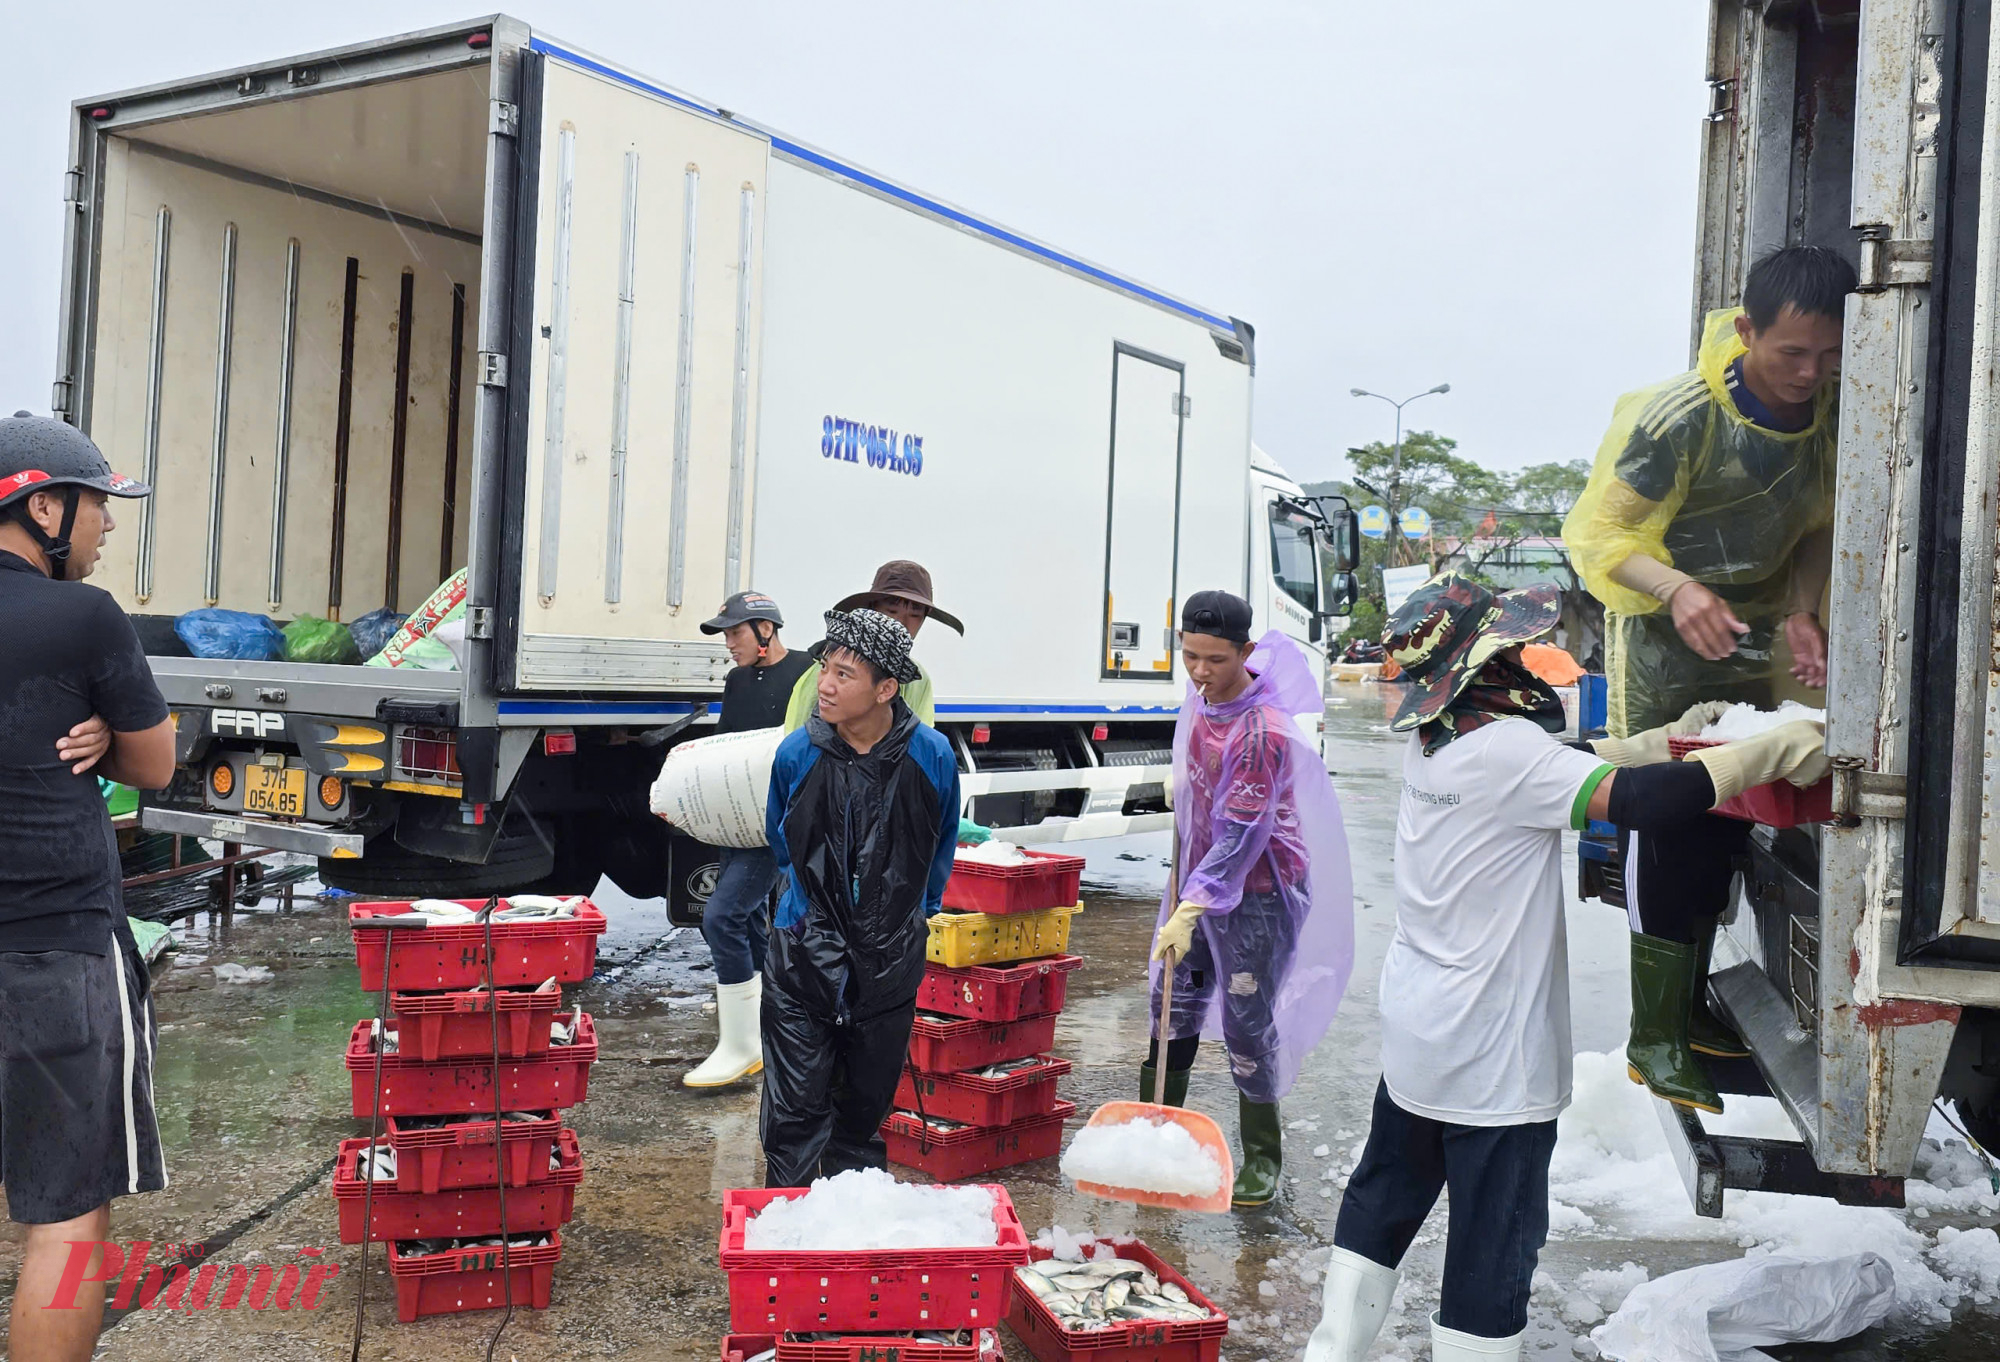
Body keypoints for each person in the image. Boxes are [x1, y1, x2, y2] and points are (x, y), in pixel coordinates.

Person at [1304, 573, 1826, 1362]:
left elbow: (1562, 768)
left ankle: (1331, 1349)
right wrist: (1768, 751)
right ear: (1484, 664)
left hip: (1420, 1034)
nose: (1529, 655)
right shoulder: (1507, 751)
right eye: (1511, 646)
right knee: (1493, 1245)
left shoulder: (1439, 741)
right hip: (1494, 1056)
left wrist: (1666, 739)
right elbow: (1642, 803)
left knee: (1384, 1197)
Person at [1562, 245, 1854, 1110]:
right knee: (1674, 816)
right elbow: (1600, 538)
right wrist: (1680, 588)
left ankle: (1687, 1010)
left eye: (1828, 355)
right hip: (1664, 638)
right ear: (1746, 330)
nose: (1809, 373)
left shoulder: (1839, 406)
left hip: (1759, 637)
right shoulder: (1681, 416)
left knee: (1739, 818)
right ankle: (1654, 1035)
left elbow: (1817, 522)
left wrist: (1803, 610)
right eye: (1791, 353)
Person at [0, 412, 176, 1362]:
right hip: (54, 952)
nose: (108, 527)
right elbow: (156, 766)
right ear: (43, 505)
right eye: (100, 506)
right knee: (64, 1222)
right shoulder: (81, 618)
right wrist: (107, 725)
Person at [1146, 590, 1354, 1208]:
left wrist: (1193, 904)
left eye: (1215, 659)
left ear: (1244, 651)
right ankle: (1156, 1134)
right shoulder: (1202, 699)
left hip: (1260, 890)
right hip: (1200, 879)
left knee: (1246, 1020)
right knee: (1170, 1002)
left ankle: (1263, 1157)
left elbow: (1244, 830)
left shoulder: (1263, 728)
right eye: (1190, 657)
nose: (1201, 672)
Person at [760, 608, 961, 1186]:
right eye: (826, 668)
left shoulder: (931, 756)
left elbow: (937, 848)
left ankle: (849, 1235)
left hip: (888, 962)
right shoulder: (798, 754)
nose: (824, 684)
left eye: (845, 674)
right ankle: (787, 1240)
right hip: (803, 955)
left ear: (886, 689)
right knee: (795, 1114)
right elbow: (782, 844)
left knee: (863, 1114)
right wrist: (807, 917)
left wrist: (909, 921)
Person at [682, 591, 816, 1089]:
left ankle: (739, 1047)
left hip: (777, 822)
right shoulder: (737, 681)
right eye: (726, 635)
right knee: (753, 924)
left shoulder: (808, 672)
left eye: (735, 633)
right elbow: (725, 747)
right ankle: (762, 1034)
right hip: (736, 818)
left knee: (722, 916)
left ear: (766, 631)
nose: (729, 644)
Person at [783, 560, 962, 732]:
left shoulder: (919, 679)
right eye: (891, 612)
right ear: (873, 609)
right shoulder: (832, 666)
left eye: (914, 615)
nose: (901, 622)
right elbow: (796, 734)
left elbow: (922, 741)